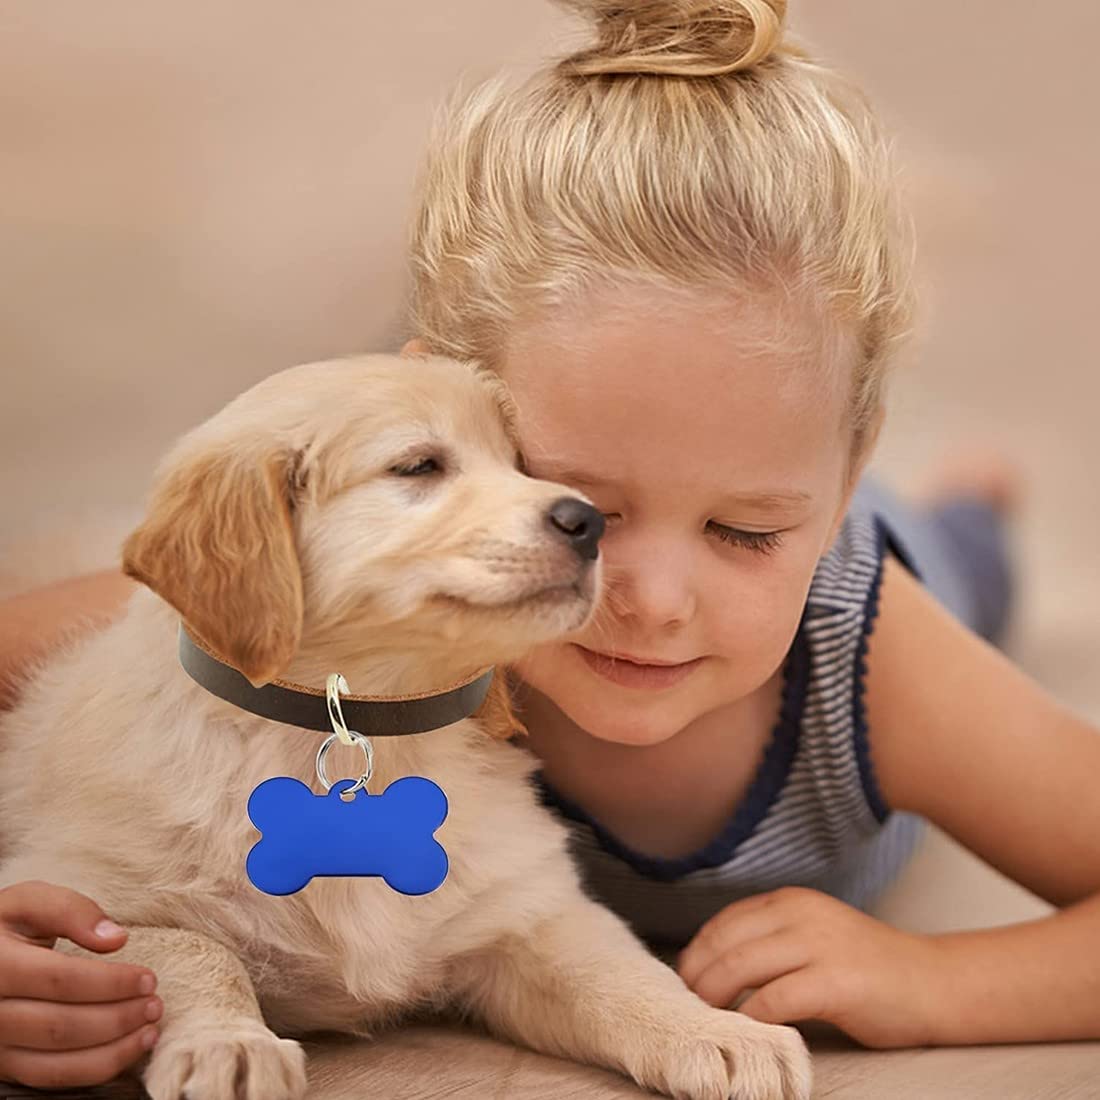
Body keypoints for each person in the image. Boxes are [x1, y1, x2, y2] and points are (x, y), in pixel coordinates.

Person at [3, 0, 1099, 1087]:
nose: (653, 596)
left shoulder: (868, 652)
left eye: (741, 528)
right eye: (581, 503)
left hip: (908, 576)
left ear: (838, 479)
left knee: (963, 564)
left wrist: (932, 979)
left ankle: (963, 500)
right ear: (446, 406)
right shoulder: (335, 604)